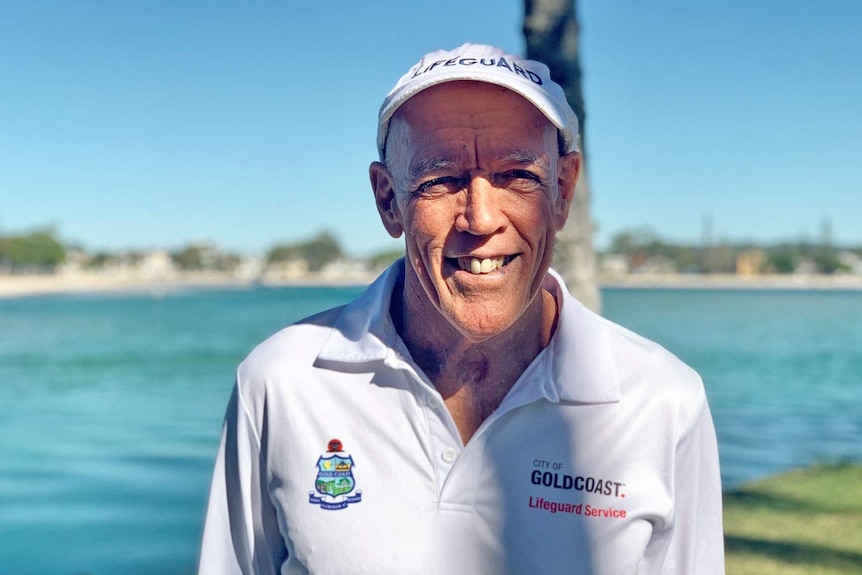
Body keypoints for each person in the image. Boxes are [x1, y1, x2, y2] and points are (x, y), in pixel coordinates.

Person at [198, 43, 725, 574]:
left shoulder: (662, 401)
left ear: (563, 192)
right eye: (440, 180)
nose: (480, 218)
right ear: (388, 200)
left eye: (518, 176)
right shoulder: (281, 383)